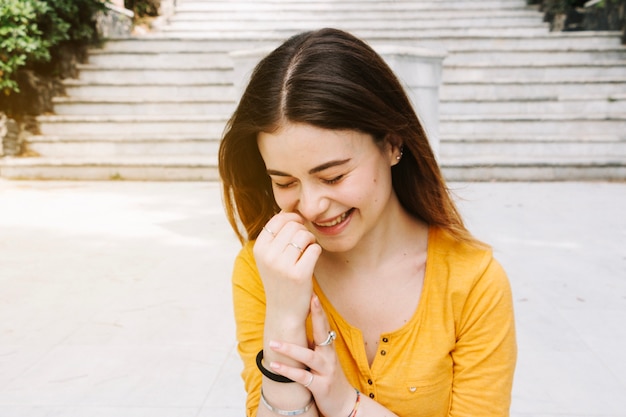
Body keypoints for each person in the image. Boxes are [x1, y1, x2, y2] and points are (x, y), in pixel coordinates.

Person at [218, 28, 516, 417]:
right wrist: (286, 317)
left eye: (333, 176)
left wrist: (347, 406)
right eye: (284, 181)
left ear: (392, 144)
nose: (310, 206)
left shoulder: (473, 282)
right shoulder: (265, 269)